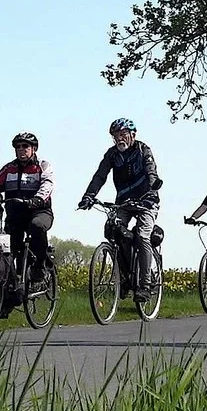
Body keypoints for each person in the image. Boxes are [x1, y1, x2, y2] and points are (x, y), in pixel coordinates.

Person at [78, 117, 162, 302]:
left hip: (146, 200)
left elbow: (150, 169)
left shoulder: (142, 149)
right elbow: (100, 176)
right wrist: (88, 196)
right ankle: (123, 277)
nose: (119, 139)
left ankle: (145, 285)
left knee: (142, 236)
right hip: (123, 201)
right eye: (115, 136)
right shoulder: (112, 154)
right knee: (113, 231)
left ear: (132, 135)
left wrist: (153, 185)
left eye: (123, 134)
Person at [0, 132, 54, 282]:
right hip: (16, 215)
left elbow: (48, 184)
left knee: (37, 226)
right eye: (17, 147)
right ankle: (12, 288)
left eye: (25, 146)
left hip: (39, 211)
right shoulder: (9, 168)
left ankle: (40, 264)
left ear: (34, 148)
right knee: (7, 248)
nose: (21, 149)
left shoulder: (42, 166)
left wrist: (37, 199)